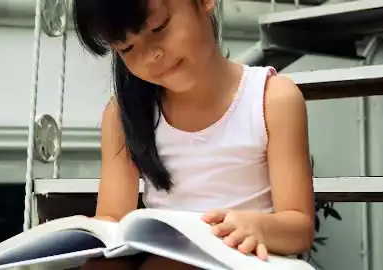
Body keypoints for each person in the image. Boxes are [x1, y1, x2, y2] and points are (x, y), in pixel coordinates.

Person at [72, 0, 315, 269]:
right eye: (127, 48)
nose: (150, 56)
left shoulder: (272, 98)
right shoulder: (123, 115)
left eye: (158, 28)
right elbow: (112, 225)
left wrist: (258, 227)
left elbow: (300, 229)